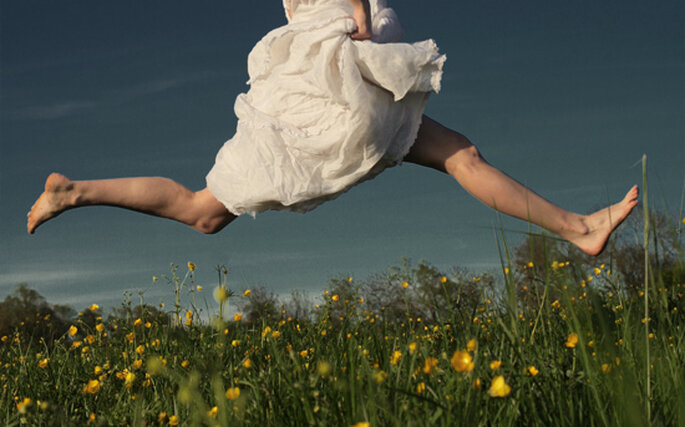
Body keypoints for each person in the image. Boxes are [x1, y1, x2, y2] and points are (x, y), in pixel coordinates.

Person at [27, 0, 638, 257]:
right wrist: (360, 16)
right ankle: (578, 227)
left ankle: (74, 192)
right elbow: (356, 17)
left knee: (204, 211)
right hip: (342, 74)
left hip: (326, 81)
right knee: (461, 156)